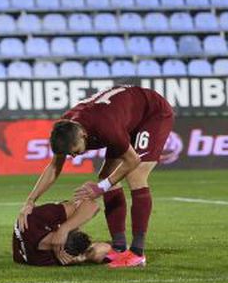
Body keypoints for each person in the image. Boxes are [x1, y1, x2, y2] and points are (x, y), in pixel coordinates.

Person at [16, 84, 175, 269]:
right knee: (106, 175)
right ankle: (119, 247)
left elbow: (133, 160)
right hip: (124, 117)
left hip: (151, 113)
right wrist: (30, 201)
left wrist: (101, 188)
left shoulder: (105, 127)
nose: (73, 156)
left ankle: (137, 253)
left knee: (135, 174)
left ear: (84, 135)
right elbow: (54, 167)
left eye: (75, 151)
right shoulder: (66, 130)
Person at [13, 199, 114, 267]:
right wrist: (83, 258)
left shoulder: (34, 220)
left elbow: (93, 205)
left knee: (75, 209)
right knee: (97, 253)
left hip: (40, 222)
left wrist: (64, 229)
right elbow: (103, 250)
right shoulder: (54, 259)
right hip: (39, 226)